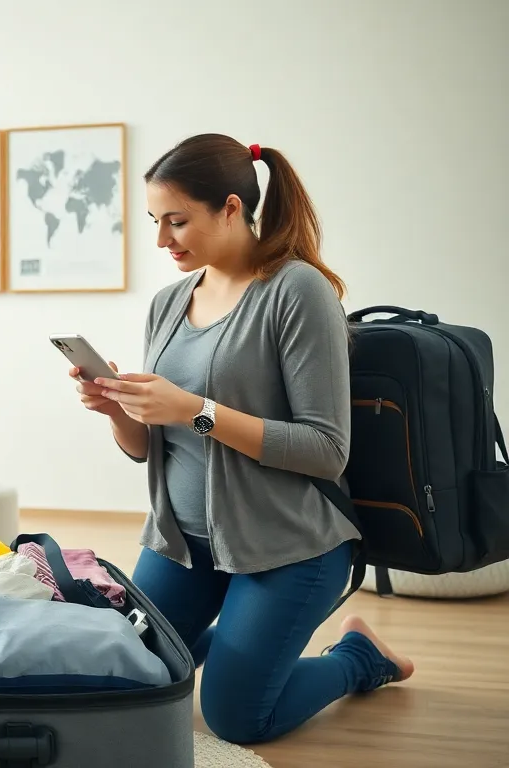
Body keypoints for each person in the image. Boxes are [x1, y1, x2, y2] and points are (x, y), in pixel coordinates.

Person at [70, 134, 414, 744]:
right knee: (123, 672)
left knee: (236, 717)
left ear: (231, 207)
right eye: (156, 221)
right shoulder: (168, 304)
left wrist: (197, 409)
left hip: (289, 543)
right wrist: (117, 410)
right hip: (186, 542)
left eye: (177, 222)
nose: (162, 240)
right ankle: (229, 644)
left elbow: (326, 449)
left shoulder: (297, 291)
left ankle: (358, 656)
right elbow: (154, 446)